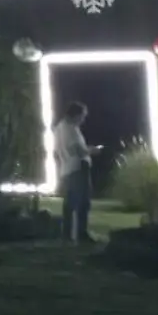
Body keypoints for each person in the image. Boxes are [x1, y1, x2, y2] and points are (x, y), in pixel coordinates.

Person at [52, 101, 100, 242]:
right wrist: (91, 151)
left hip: (66, 169)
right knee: (83, 202)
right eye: (82, 116)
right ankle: (81, 233)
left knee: (69, 203)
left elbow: (58, 151)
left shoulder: (59, 128)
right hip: (78, 168)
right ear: (75, 115)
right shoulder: (70, 129)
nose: (83, 120)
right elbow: (76, 150)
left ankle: (67, 234)